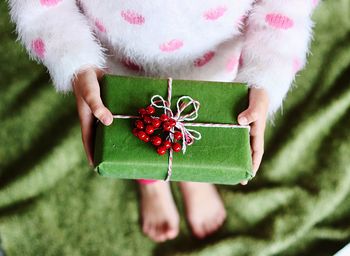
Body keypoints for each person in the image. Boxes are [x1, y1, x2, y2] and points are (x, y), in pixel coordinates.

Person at [8, 0, 318, 242]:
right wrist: (75, 62)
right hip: (114, 61)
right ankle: (151, 181)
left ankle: (193, 172)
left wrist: (266, 77)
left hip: (216, 63)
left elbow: (286, 8)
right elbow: (41, 7)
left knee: (195, 124)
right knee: (133, 131)